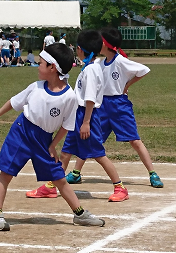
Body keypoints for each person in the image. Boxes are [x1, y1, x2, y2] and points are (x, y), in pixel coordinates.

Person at [0, 43, 105, 231]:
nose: (38, 66)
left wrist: (53, 145)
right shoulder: (35, 87)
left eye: (41, 63)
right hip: (21, 132)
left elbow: (66, 126)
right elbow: (15, 102)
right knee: (6, 173)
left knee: (59, 178)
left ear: (52, 68)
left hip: (44, 140)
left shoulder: (69, 97)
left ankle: (79, 214)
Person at [26, 30, 129, 202]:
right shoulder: (90, 67)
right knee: (66, 152)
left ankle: (120, 188)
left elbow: (89, 99)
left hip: (86, 116)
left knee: (98, 154)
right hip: (79, 115)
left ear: (80, 50)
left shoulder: (91, 70)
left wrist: (86, 122)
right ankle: (52, 186)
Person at [59, 27, 165, 188]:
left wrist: (127, 85)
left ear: (105, 44)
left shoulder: (120, 61)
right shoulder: (99, 63)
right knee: (89, 139)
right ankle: (76, 172)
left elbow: (144, 70)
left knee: (134, 140)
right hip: (100, 105)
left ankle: (152, 173)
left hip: (119, 106)